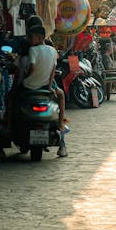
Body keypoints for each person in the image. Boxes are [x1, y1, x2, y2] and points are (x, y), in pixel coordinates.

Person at [23, 21, 68, 157]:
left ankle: (7, 124)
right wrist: (50, 85)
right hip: (46, 86)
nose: (30, 40)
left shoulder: (32, 50)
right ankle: (61, 123)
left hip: (29, 86)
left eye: (32, 37)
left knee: (12, 97)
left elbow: (31, 67)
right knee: (61, 95)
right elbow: (53, 71)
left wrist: (26, 76)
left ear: (41, 37)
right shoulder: (53, 51)